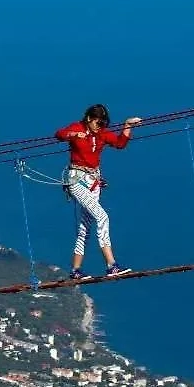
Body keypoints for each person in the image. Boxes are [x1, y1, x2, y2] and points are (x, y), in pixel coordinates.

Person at [55, 104, 141, 279]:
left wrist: (127, 126)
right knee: (102, 217)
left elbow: (120, 143)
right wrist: (74, 135)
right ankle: (111, 265)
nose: (100, 126)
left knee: (85, 227)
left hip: (94, 182)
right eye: (97, 122)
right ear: (89, 119)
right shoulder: (77, 127)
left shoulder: (101, 133)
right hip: (77, 181)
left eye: (102, 123)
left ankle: (75, 270)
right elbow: (59, 134)